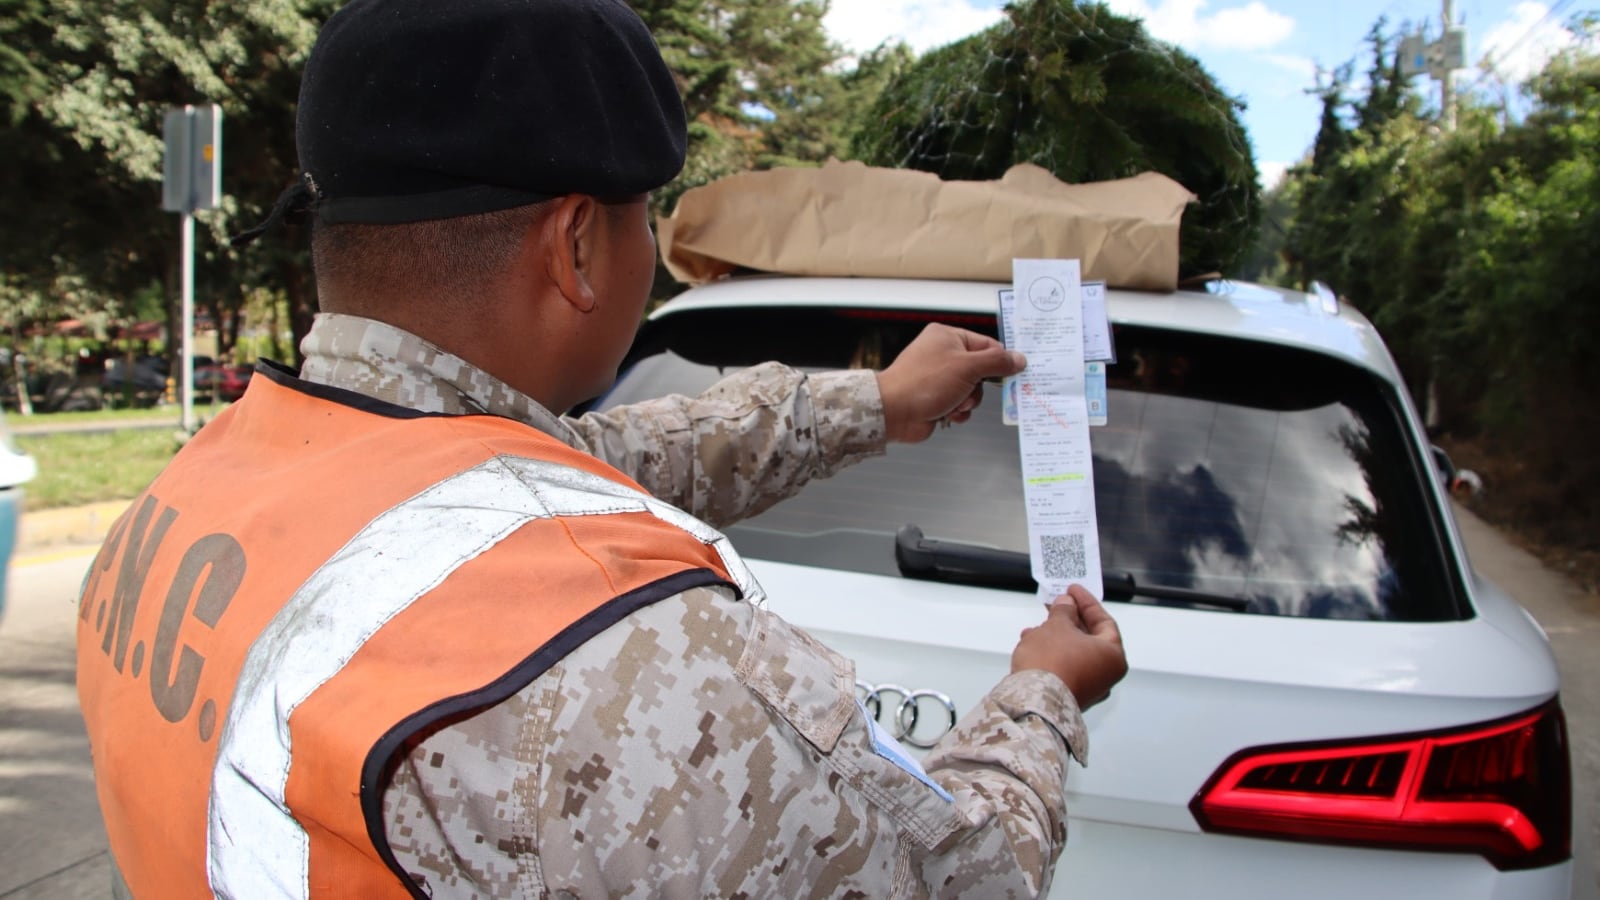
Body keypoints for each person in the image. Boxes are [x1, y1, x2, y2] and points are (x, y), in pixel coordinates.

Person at [75, 0, 1128, 897]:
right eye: (642, 222)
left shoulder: (209, 483)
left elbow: (601, 455)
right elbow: (959, 877)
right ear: (576, 245)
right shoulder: (624, 652)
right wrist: (1042, 695)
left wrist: (877, 403)